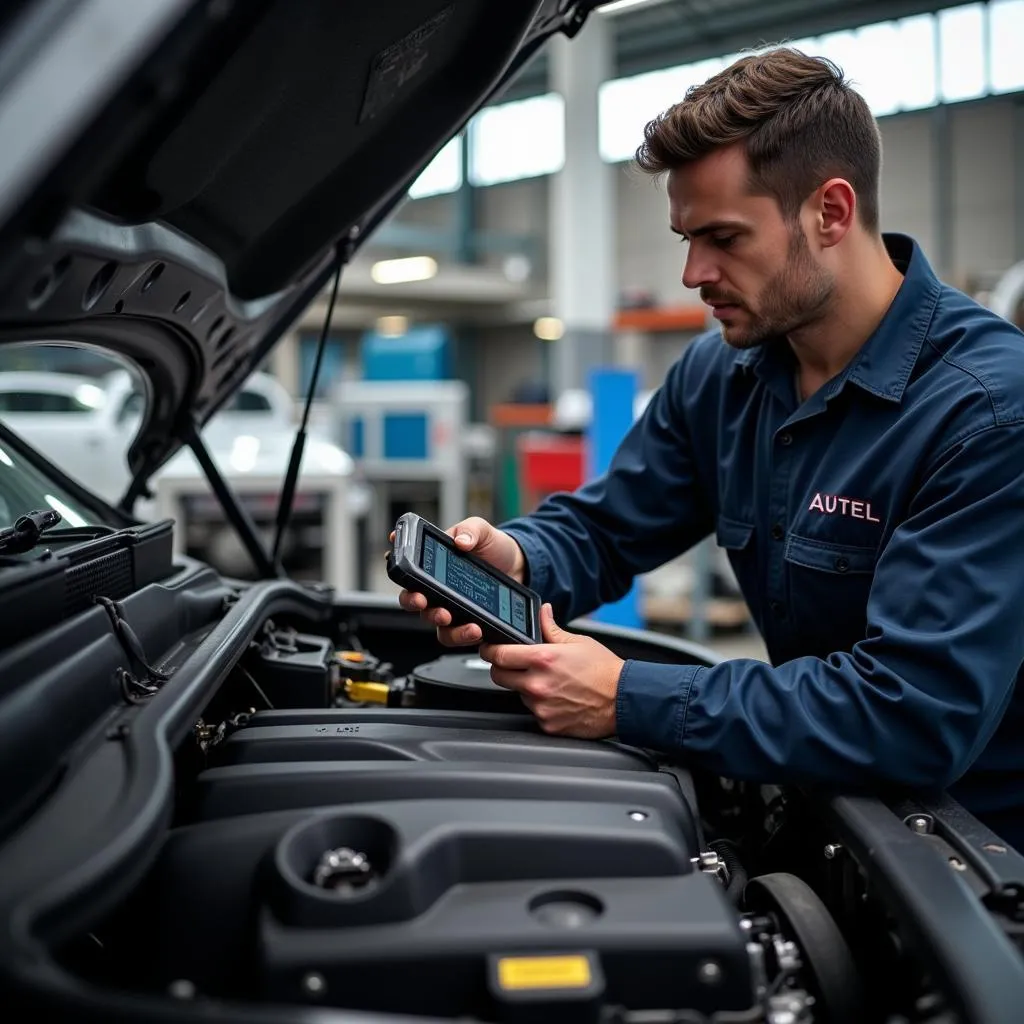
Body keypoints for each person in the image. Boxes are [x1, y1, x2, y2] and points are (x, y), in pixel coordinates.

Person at [397, 47, 1024, 851]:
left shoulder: (987, 413)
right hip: (825, 814)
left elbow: (912, 715)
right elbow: (608, 526)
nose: (694, 273)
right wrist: (516, 558)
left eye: (724, 237)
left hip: (967, 868)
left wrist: (629, 696)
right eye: (687, 237)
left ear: (830, 213)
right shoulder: (721, 374)